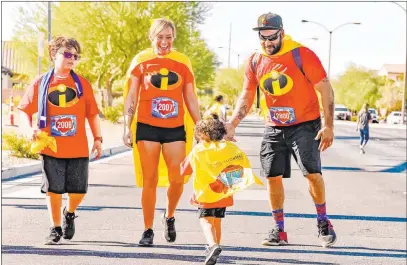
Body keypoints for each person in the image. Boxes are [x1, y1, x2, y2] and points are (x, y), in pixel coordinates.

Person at [224, 13, 337, 247]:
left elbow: (326, 89)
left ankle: (323, 221)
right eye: (263, 38)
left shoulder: (301, 54)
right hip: (274, 126)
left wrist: (328, 126)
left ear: (282, 33)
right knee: (272, 177)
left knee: (312, 175)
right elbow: (246, 95)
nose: (267, 43)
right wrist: (232, 124)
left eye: (272, 37)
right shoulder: (255, 61)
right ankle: (279, 230)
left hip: (305, 125)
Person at [123, 18, 201, 246]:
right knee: (150, 179)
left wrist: (200, 126)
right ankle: (147, 230)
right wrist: (127, 126)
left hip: (175, 128)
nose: (164, 42)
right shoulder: (141, 61)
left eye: (168, 37)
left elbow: (190, 97)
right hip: (147, 127)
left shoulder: (182, 61)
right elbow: (131, 96)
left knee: (177, 179)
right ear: (152, 37)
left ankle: (169, 215)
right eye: (160, 37)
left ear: (173, 38)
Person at [18, 36, 102, 245]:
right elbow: (24, 111)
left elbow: (92, 114)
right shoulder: (41, 82)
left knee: (78, 191)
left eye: (75, 55)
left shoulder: (82, 83)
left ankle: (70, 212)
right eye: (67, 54)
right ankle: (55, 227)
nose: (72, 58)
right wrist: (29, 129)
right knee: (53, 189)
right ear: (54, 54)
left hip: (78, 147)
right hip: (50, 146)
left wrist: (98, 139)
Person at [181, 114, 259, 265]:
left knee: (206, 220)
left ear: (203, 135)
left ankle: (212, 245)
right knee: (217, 221)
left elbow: (184, 170)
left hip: (205, 194)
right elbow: (241, 168)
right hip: (223, 193)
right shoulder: (230, 148)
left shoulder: (198, 150)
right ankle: (214, 247)